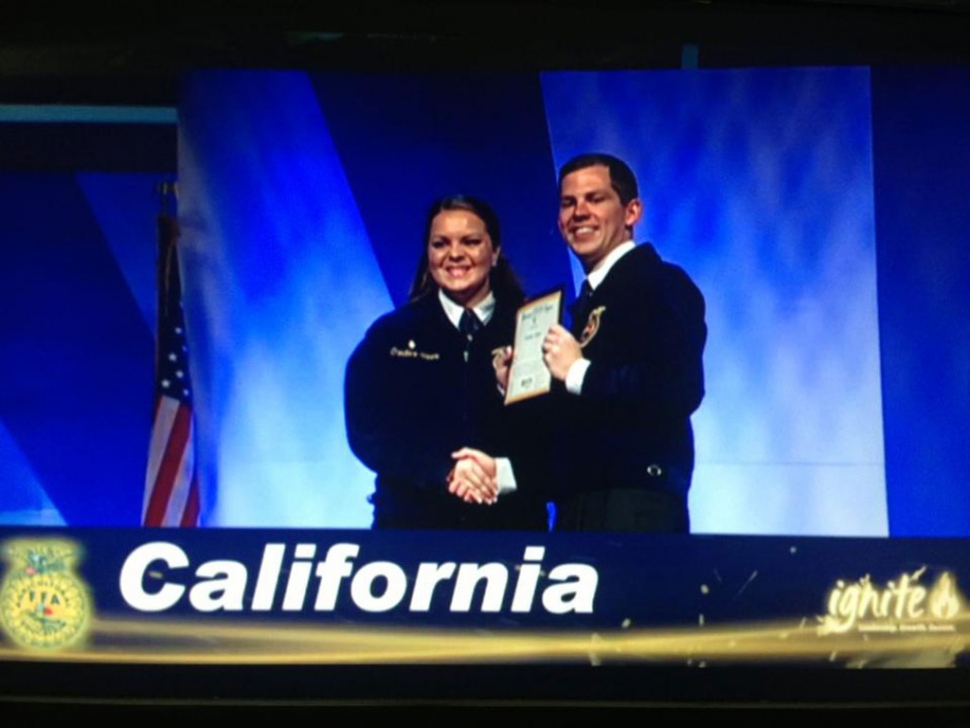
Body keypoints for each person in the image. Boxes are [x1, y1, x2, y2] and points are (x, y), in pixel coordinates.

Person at [500, 153, 706, 532]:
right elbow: (584, 418)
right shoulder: (584, 305)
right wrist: (523, 385)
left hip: (635, 503)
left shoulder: (660, 283)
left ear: (631, 212)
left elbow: (677, 387)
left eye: (595, 199)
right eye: (568, 203)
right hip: (577, 506)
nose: (579, 212)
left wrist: (579, 371)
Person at [344, 195, 547, 530]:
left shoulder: (532, 329)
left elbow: (555, 437)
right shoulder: (390, 335)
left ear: (494, 252)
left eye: (470, 242)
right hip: (411, 531)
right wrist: (445, 470)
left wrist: (500, 467)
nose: (455, 254)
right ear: (428, 254)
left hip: (510, 531)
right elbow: (367, 433)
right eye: (441, 243)